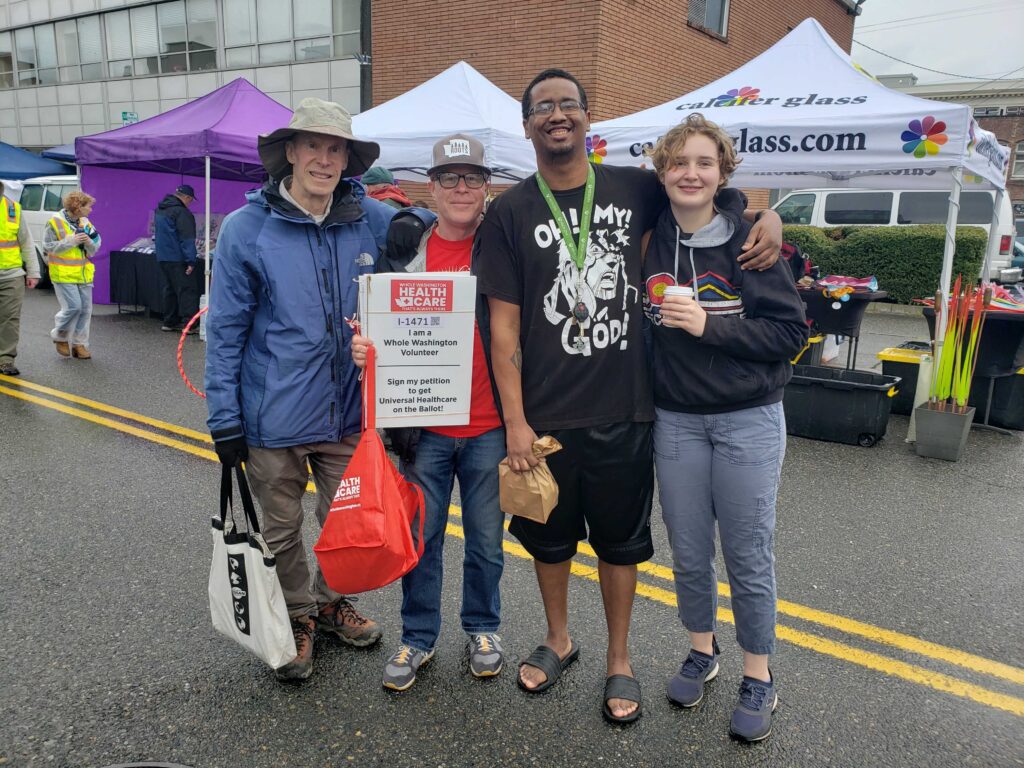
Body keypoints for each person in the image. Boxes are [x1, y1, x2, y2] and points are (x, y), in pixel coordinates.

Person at [473, 68, 783, 725]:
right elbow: (501, 326)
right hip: (546, 418)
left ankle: (621, 658)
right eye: (542, 108)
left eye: (568, 105)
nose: (557, 115)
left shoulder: (633, 187)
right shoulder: (508, 212)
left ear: (589, 120)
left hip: (628, 411)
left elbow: (704, 196)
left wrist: (766, 215)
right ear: (528, 126)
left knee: (621, 545)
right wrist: (516, 422)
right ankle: (559, 638)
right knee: (549, 543)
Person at [205, 98, 431, 683]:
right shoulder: (245, 229)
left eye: (336, 149)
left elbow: (438, 230)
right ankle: (298, 616)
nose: (324, 159)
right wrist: (224, 418)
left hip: (348, 413)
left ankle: (330, 603)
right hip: (272, 414)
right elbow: (225, 332)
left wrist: (417, 224)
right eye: (314, 146)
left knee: (349, 521)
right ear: (290, 152)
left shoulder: (367, 219)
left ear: (347, 159)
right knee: (281, 530)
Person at [643, 114, 807, 741]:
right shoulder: (649, 235)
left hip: (747, 419)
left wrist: (711, 326)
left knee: (746, 553)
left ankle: (759, 674)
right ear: (663, 172)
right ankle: (702, 650)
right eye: (679, 162)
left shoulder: (750, 243)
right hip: (676, 420)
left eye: (705, 163)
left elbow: (790, 335)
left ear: (723, 173)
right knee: (687, 550)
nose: (691, 172)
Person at [351, 134, 505, 691]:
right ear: (431, 188)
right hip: (426, 428)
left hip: (491, 426)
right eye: (449, 179)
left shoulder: (504, 245)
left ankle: (484, 628)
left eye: (471, 178)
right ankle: (417, 636)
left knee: (487, 542)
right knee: (422, 539)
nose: (460, 189)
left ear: (487, 188)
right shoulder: (404, 250)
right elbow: (378, 325)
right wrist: (364, 347)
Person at [43, 191, 100, 360]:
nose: (90, 210)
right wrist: (71, 241)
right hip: (63, 273)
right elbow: (48, 247)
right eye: (88, 206)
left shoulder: (85, 222)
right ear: (78, 207)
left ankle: (79, 344)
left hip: (83, 274)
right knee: (73, 307)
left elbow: (96, 245)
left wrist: (89, 242)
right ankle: (60, 336)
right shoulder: (54, 222)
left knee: (85, 310)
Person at [0, 180, 40, 376]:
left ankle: (6, 360)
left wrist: (33, 272)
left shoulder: (13, 209)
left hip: (11, 274)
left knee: (10, 318)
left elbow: (26, 242)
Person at [154, 184, 198, 333]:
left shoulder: (160, 209)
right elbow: (187, 239)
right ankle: (189, 324)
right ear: (186, 197)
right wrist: (191, 260)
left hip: (162, 257)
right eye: (191, 200)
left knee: (169, 289)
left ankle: (169, 321)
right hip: (178, 258)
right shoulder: (182, 212)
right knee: (187, 290)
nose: (190, 203)